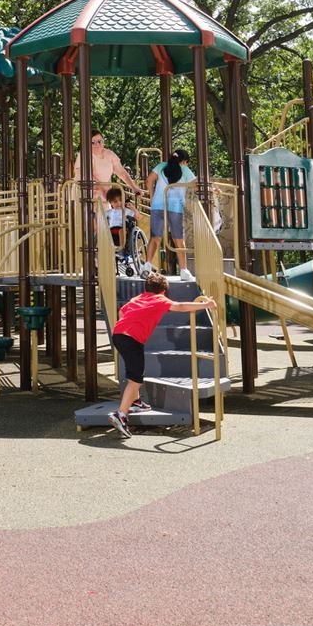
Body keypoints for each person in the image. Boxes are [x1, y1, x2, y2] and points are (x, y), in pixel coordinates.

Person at [107, 271, 216, 436]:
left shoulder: (138, 298)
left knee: (134, 370)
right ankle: (121, 415)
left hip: (119, 335)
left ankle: (135, 401)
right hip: (131, 338)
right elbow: (180, 307)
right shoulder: (160, 299)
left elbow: (122, 312)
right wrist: (206, 305)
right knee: (135, 379)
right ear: (164, 291)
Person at [146, 149, 195, 272]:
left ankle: (146, 265)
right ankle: (183, 270)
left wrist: (152, 197)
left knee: (155, 237)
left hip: (158, 205)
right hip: (175, 207)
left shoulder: (161, 166)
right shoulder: (185, 169)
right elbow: (196, 185)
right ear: (184, 161)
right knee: (178, 239)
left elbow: (149, 180)